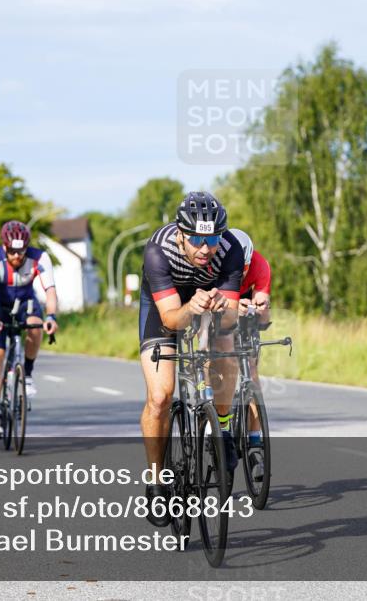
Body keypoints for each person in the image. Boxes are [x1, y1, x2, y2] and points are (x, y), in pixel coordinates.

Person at [138, 192, 244, 526]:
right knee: (160, 395)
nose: (204, 248)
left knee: (226, 354)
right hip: (166, 307)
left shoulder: (230, 250)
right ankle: (156, 482)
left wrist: (220, 307)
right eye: (196, 239)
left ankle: (222, 428)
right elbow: (170, 319)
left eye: (211, 239)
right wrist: (190, 308)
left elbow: (228, 320)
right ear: (181, 234)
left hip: (209, 304)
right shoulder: (159, 250)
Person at [0, 220, 58, 437]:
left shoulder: (39, 258)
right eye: (12, 251)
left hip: (25, 302)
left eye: (20, 251)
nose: (16, 256)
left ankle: (28, 374)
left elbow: (50, 290)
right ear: (4, 247)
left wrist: (51, 316)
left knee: (35, 323)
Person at [229, 228, 272, 481]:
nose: (243, 271)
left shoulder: (259, 264)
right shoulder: (216, 263)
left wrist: (260, 308)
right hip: (221, 298)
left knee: (252, 371)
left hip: (245, 302)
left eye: (245, 266)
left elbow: (264, 316)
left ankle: (254, 442)